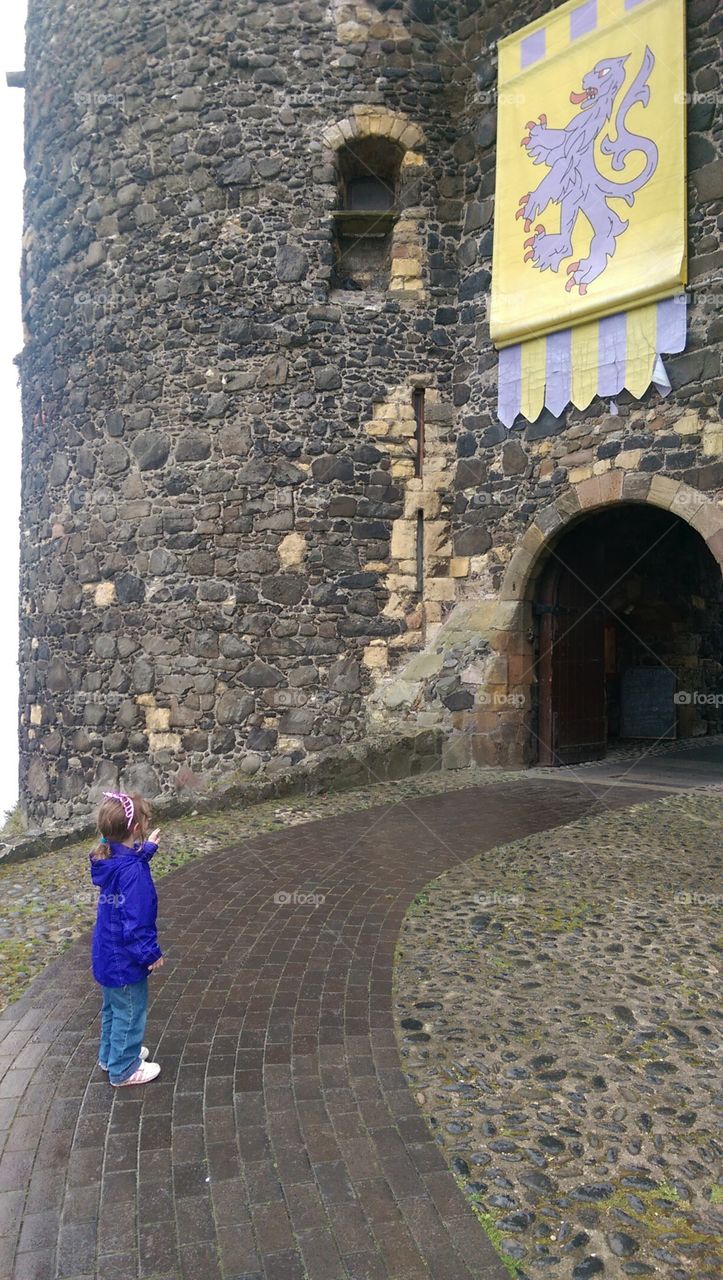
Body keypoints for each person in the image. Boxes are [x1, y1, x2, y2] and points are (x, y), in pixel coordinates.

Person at [89, 790, 164, 1086]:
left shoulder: (108, 859)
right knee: (130, 1012)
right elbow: (137, 921)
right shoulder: (132, 871)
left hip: (107, 954)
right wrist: (150, 954)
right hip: (125, 959)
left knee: (112, 1008)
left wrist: (146, 853)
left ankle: (111, 1056)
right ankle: (124, 1067)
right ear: (135, 829)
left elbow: (127, 865)